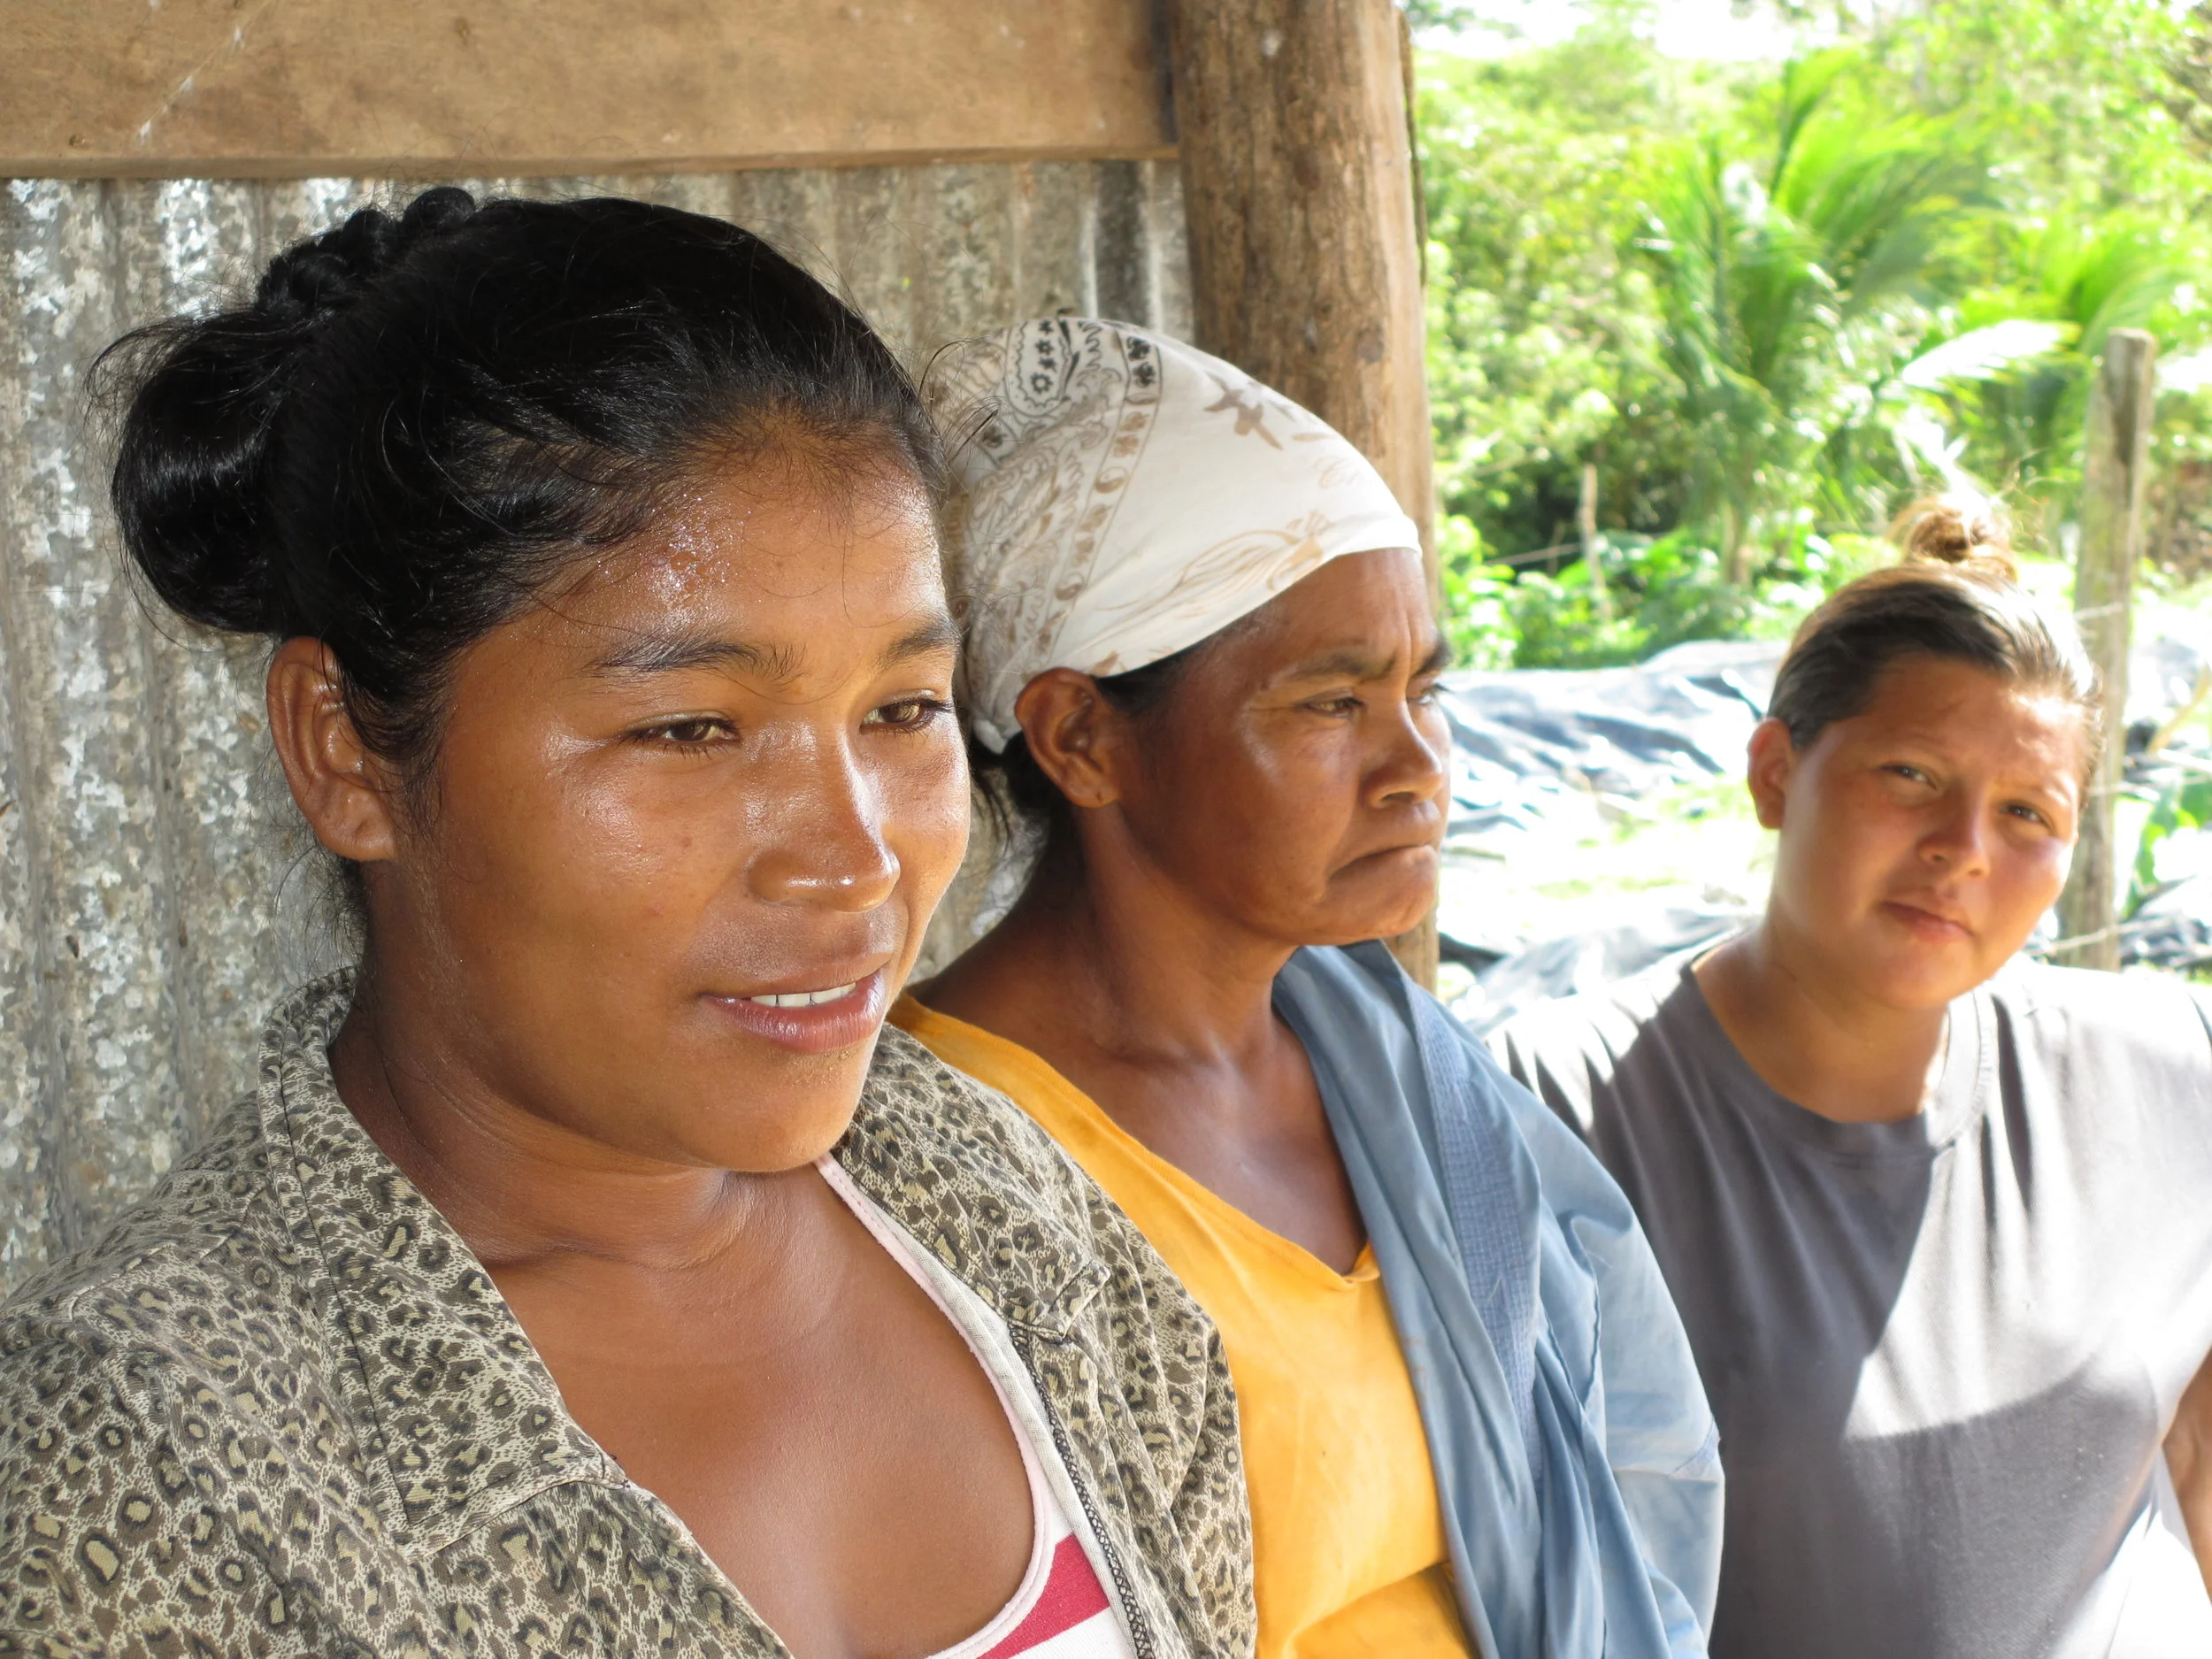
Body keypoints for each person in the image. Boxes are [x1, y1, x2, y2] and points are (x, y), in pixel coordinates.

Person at [0, 193, 1255, 1659]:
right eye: (690, 727)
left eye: (902, 708)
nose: (857, 861)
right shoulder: (158, 1470)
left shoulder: (1009, 1216)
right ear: (343, 750)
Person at [898, 317, 1723, 1659]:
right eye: (1330, 704)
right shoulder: (940, 1168)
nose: (1418, 766)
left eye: (1423, 688)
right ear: (1083, 737)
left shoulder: (1396, 1069)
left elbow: (1627, 1472)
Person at [1492, 497, 2212, 1659]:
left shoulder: (2166, 1070)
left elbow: (2193, 1461)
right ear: (1776, 772)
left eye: (2028, 810)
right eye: (1913, 774)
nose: (1966, 847)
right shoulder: (1564, 1108)